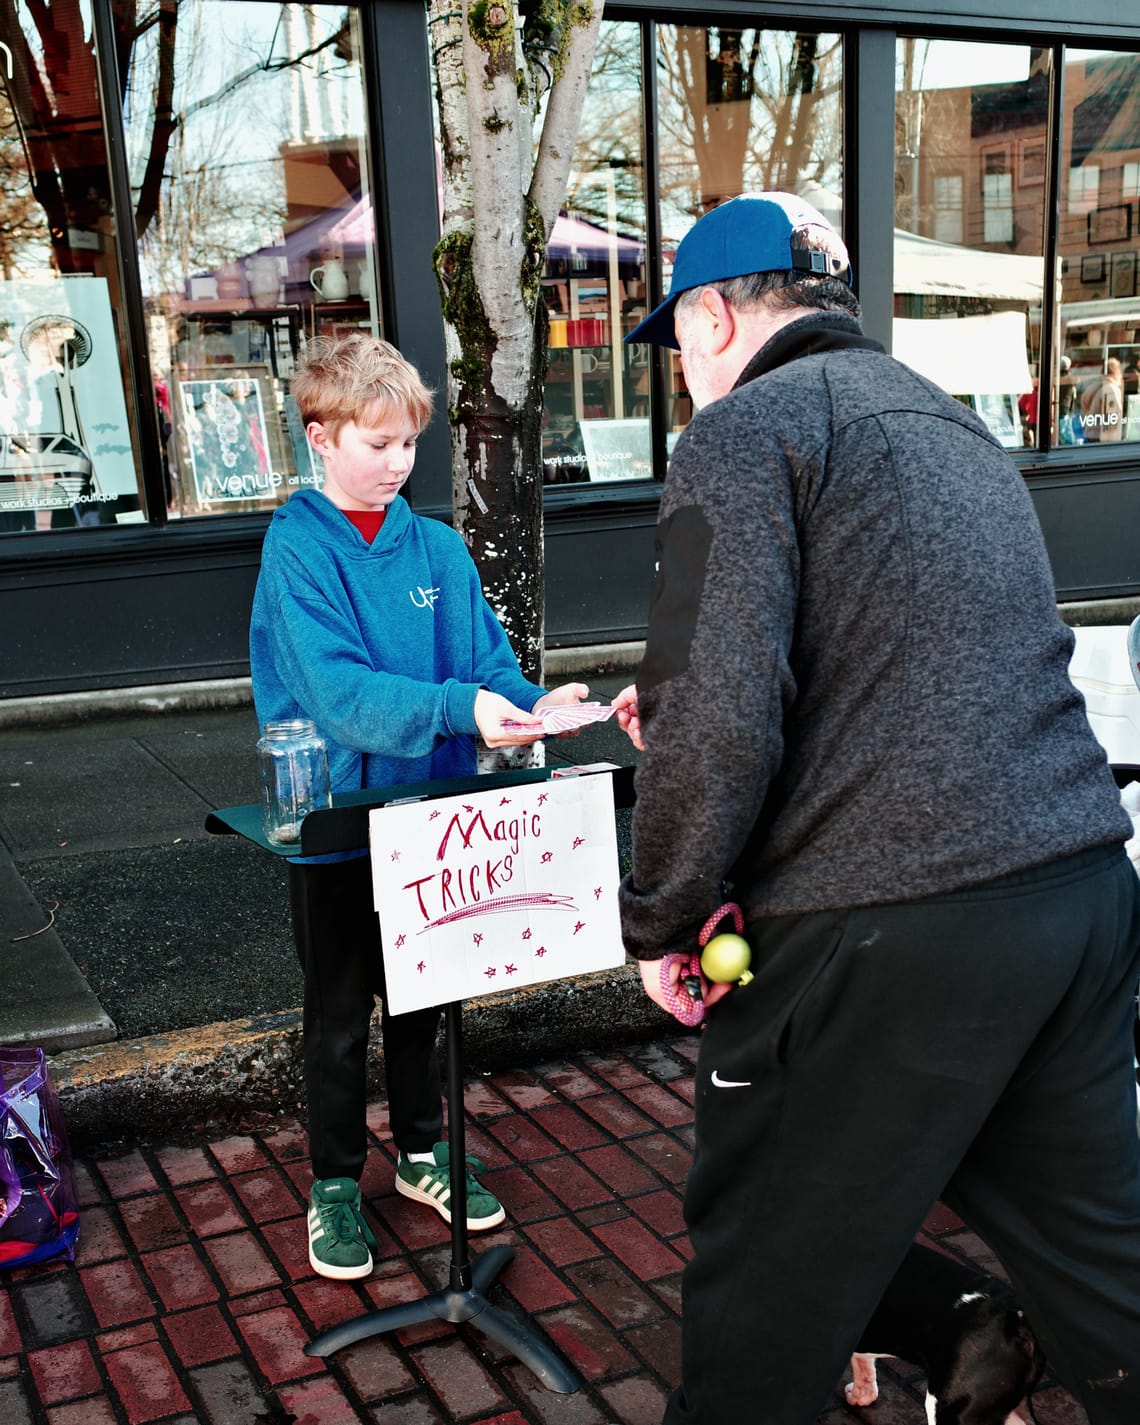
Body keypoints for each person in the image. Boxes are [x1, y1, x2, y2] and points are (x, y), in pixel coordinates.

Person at [612, 192, 1140, 1424]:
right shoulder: (956, 429)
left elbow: (712, 709)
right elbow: (909, 670)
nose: (685, 375)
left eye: (680, 342)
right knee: (1108, 1273)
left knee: (759, 1309)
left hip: (885, 932)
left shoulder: (739, 437)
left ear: (710, 316)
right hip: (1073, 896)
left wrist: (660, 918)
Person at [249, 333, 587, 1280]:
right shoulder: (297, 547)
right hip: (333, 818)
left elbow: (483, 663)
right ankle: (334, 1180)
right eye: (378, 442)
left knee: (430, 993)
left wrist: (527, 708)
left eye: (409, 444)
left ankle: (425, 1152)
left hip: (435, 810)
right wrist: (460, 707)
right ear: (321, 437)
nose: (398, 463)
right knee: (340, 1009)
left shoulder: (436, 543)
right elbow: (339, 693)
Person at [1080, 354, 1124, 441]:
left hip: (1091, 433)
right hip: (1103, 436)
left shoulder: (1095, 386)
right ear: (1116, 372)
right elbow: (1114, 417)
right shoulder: (1111, 389)